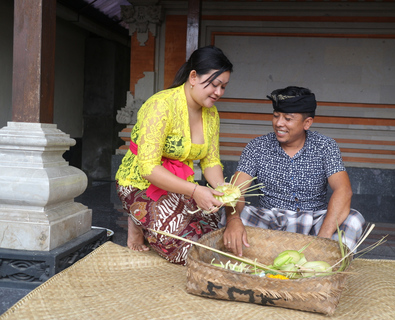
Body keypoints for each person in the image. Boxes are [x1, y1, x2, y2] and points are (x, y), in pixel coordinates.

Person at [115, 45, 233, 265]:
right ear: (194, 77)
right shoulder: (162, 105)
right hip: (141, 184)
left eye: (223, 87)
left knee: (213, 236)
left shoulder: (211, 113)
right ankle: (137, 216)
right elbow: (148, 168)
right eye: (214, 85)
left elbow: (211, 161)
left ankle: (147, 222)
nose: (218, 93)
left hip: (179, 184)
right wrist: (196, 190)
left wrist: (221, 189)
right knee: (190, 250)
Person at [221, 86, 365, 256]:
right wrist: (233, 220)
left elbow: (344, 191)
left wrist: (321, 241)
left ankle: (321, 267)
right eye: (276, 116)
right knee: (227, 215)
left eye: (288, 118)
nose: (279, 123)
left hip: (314, 223)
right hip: (269, 223)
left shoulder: (325, 146)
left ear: (307, 123)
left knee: (353, 219)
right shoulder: (257, 147)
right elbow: (235, 191)